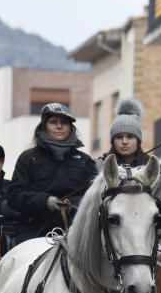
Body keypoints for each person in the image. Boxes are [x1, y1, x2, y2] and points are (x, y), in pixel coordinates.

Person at [6, 103, 97, 241]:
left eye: (64, 123)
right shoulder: (28, 158)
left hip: (76, 229)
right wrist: (45, 201)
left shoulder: (84, 161)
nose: (59, 126)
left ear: (70, 127)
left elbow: (95, 195)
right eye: (53, 122)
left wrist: (73, 203)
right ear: (44, 126)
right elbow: (14, 196)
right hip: (34, 229)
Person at [107, 99, 161, 238]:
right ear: (113, 140)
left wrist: (145, 231)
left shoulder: (160, 174)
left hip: (151, 244)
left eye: (130, 136)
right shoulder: (97, 169)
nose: (125, 141)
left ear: (138, 140)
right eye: (119, 137)